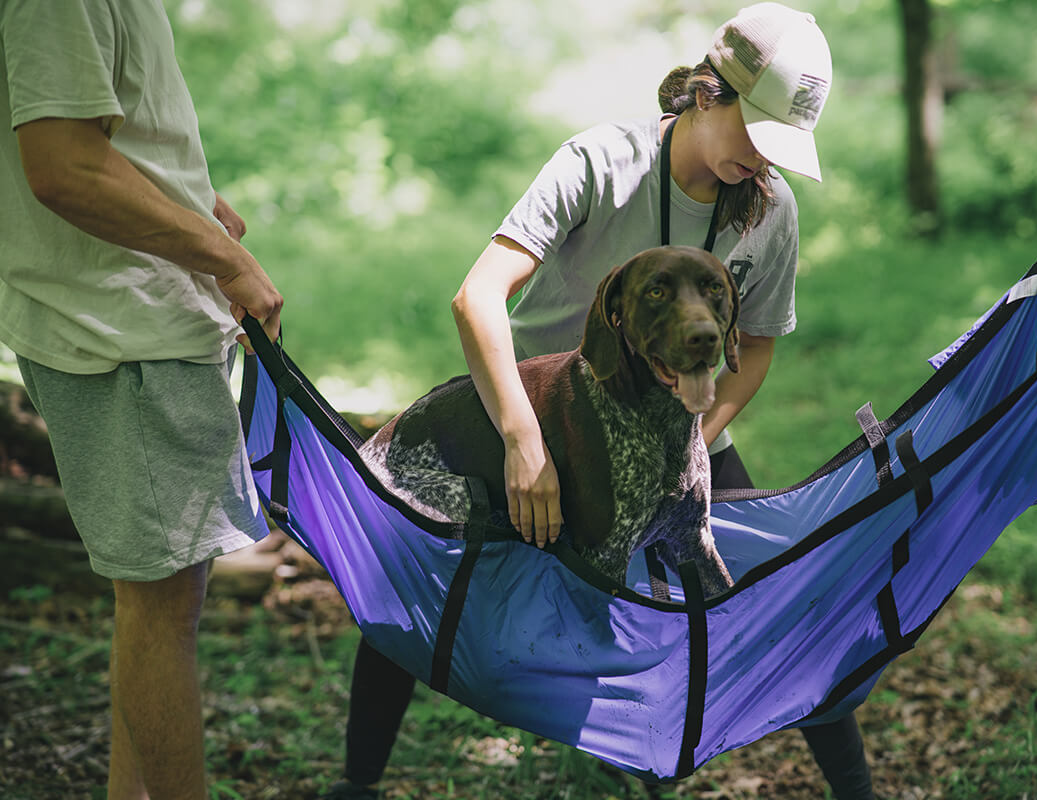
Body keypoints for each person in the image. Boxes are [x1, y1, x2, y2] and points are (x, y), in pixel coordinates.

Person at [322, 5, 876, 800]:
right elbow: (477, 299)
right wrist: (522, 442)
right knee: (419, 568)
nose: (763, 161)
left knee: (779, 585)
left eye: (780, 149)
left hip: (682, 427)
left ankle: (855, 790)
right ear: (707, 94)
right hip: (536, 416)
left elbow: (753, 354)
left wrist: (683, 449)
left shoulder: (770, 207)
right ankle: (356, 783)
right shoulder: (601, 163)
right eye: (757, 134)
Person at [0, 2, 283, 798]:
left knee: (155, 602)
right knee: (162, 609)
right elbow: (63, 165)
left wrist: (195, 202)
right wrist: (223, 258)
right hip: (123, 328)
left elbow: (109, 136)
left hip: (136, 315)